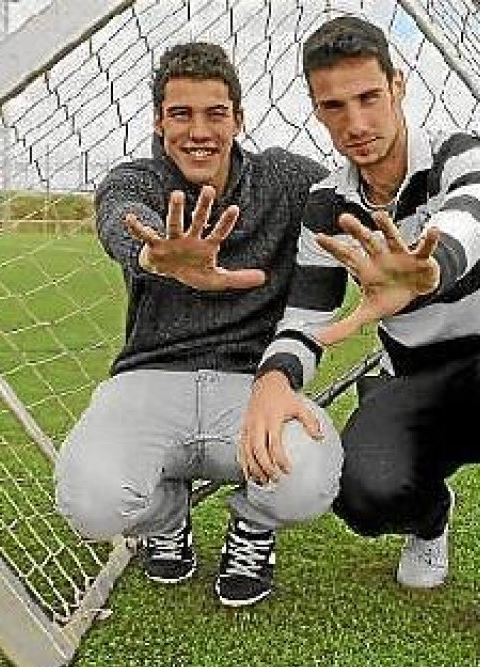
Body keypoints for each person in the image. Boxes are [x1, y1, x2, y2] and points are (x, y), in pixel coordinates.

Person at [241, 17, 480, 667]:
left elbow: (476, 208)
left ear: (398, 86)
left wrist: (428, 270)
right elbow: (306, 316)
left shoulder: (465, 155)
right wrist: (273, 380)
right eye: (334, 106)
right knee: (362, 491)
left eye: (368, 97)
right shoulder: (325, 206)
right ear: (316, 110)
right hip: (415, 379)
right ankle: (430, 515)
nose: (355, 123)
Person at [55, 42, 342, 608]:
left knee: (307, 481)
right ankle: (169, 519)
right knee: (91, 503)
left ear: (239, 118)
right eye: (181, 114)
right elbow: (118, 213)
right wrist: (155, 254)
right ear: (158, 122)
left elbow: (360, 192)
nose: (199, 132)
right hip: (151, 377)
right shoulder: (139, 179)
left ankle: (252, 526)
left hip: (254, 385)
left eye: (215, 114)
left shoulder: (286, 179)